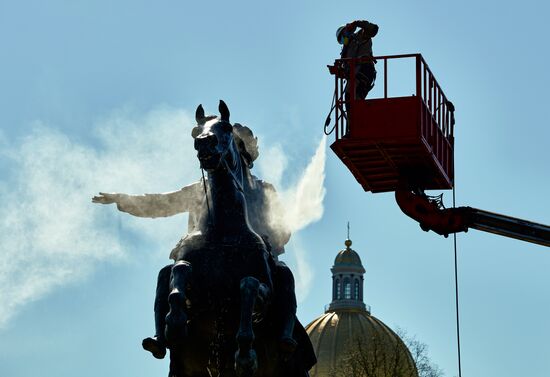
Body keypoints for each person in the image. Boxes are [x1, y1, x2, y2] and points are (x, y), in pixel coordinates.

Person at [92, 123, 299, 360]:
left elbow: (283, 228)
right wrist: (123, 199)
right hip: (203, 256)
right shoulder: (200, 189)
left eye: (238, 146)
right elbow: (160, 204)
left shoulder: (263, 191)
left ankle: (286, 335)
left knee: (284, 276)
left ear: (245, 154)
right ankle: (161, 336)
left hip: (255, 259)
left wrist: (267, 238)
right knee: (166, 274)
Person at [336, 20, 379, 101]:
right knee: (354, 98)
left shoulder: (361, 36)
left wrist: (356, 23)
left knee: (350, 94)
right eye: (341, 40)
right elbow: (347, 70)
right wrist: (338, 71)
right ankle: (354, 113)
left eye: (343, 36)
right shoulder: (346, 53)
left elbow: (373, 29)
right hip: (355, 75)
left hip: (364, 70)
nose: (344, 40)